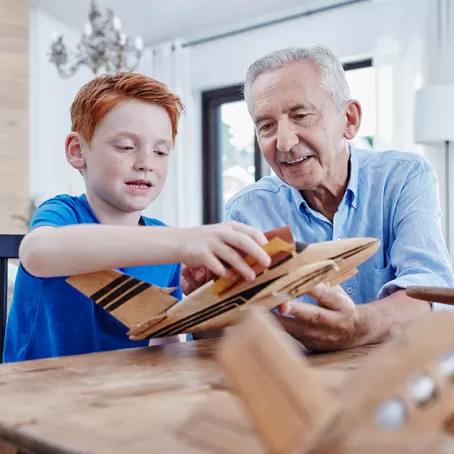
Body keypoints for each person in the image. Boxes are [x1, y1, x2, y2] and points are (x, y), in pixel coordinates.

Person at [182, 45, 454, 352]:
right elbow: (230, 341)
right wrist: (204, 311)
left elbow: (433, 293)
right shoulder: (248, 210)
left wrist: (359, 325)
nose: (284, 142)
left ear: (349, 119)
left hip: (399, 377)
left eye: (301, 115)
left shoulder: (404, 177)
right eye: (266, 126)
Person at [3, 72, 272, 363]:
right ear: (78, 150)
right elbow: (36, 252)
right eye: (126, 147)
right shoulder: (63, 214)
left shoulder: (167, 247)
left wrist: (204, 306)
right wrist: (184, 239)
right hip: (37, 396)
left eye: (160, 151)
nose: (146, 163)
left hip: (118, 398)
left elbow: (165, 346)